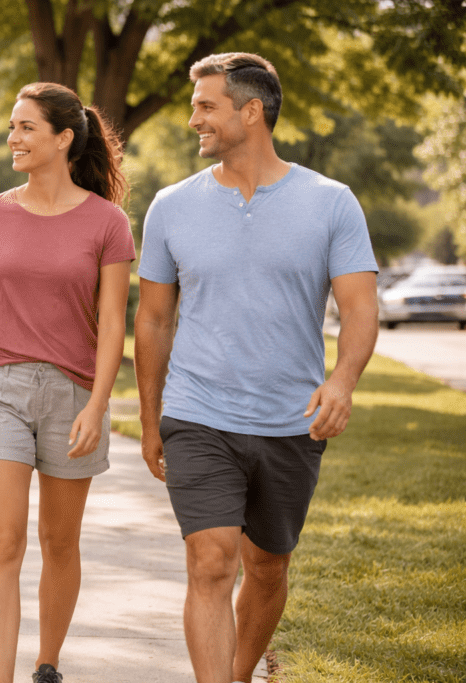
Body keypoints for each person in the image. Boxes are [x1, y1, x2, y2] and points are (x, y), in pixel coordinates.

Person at [134, 52, 379, 683]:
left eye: (207, 106)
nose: (194, 120)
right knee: (211, 562)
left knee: (268, 566)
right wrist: (151, 415)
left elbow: (358, 311)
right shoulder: (170, 206)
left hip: (288, 419)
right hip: (199, 412)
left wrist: (342, 381)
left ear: (251, 111)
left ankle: (240, 673)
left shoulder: (331, 203)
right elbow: (155, 320)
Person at [0, 82, 133, 683]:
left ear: (63, 138)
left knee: (59, 542)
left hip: (73, 393)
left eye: (26, 127)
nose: (13, 139)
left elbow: (111, 327)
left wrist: (98, 406)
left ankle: (46, 662)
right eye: (11, 127)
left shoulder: (108, 222)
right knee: (3, 541)